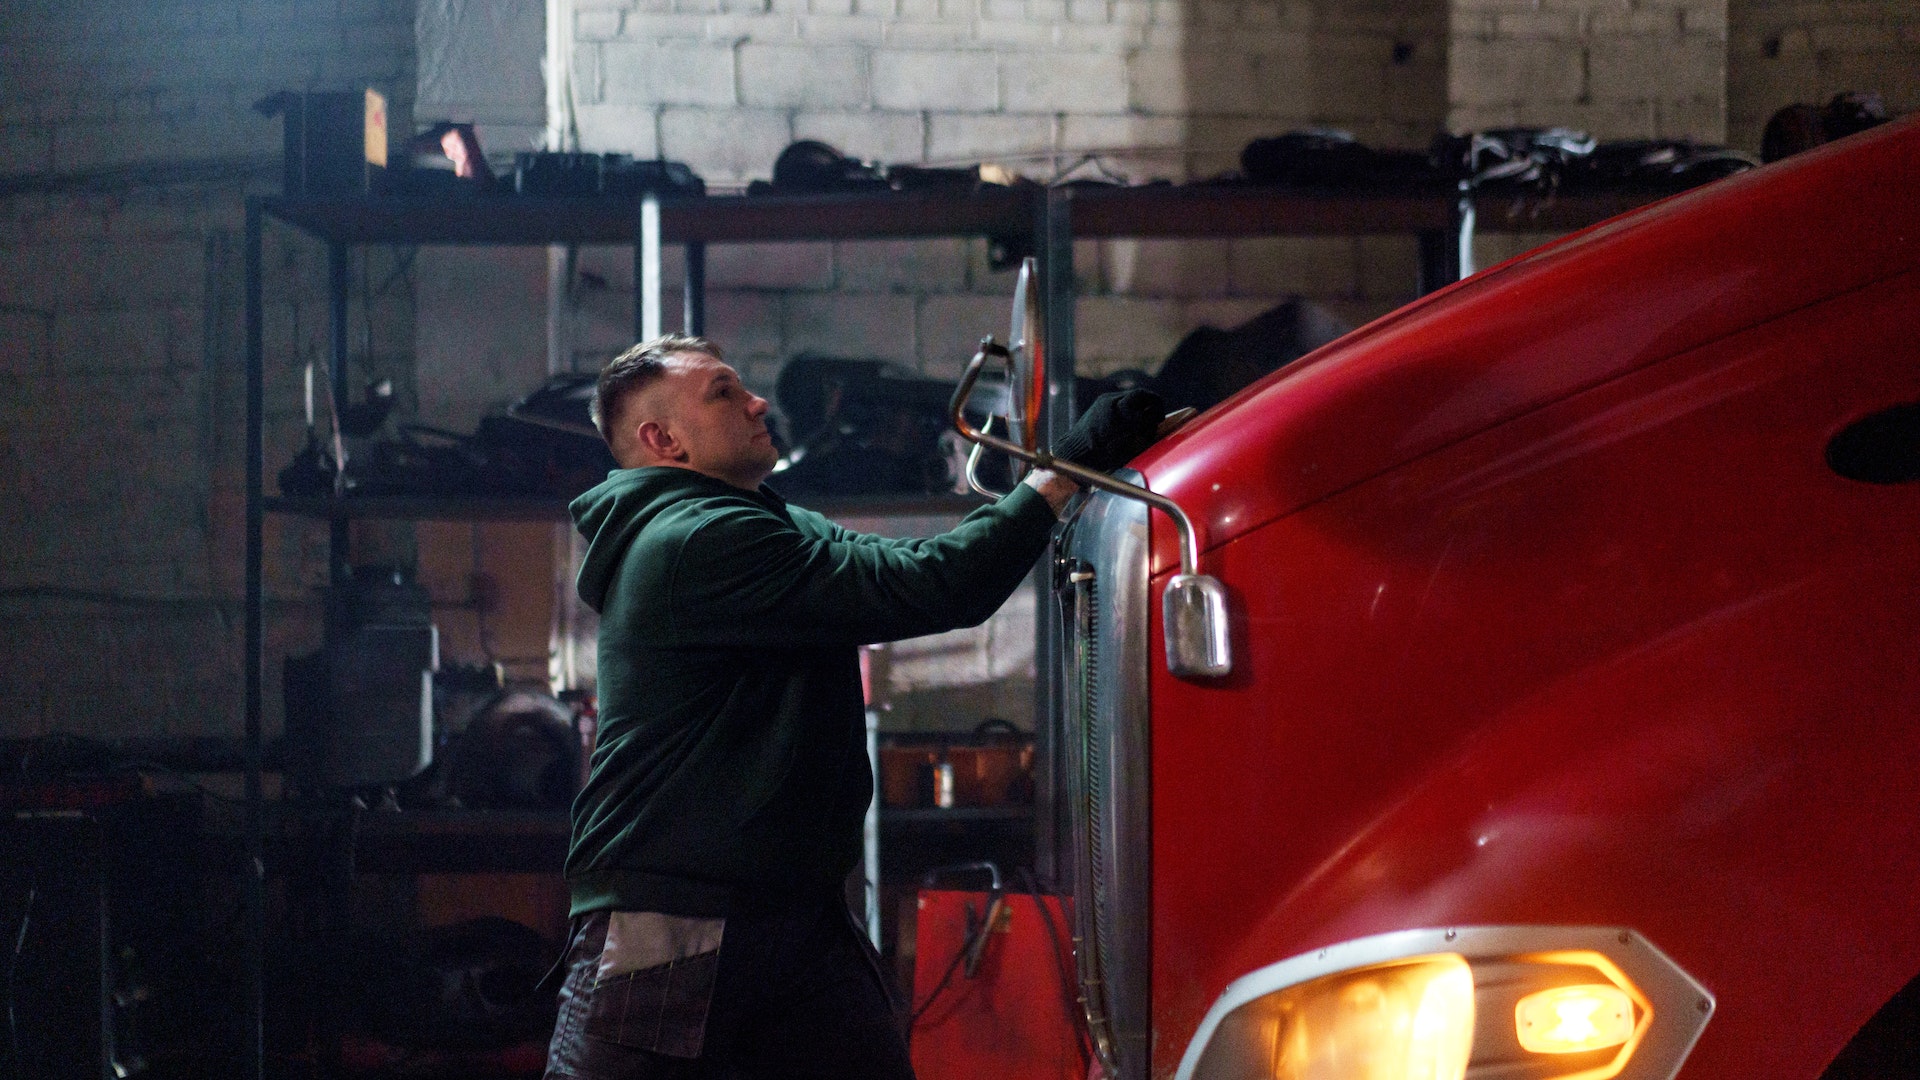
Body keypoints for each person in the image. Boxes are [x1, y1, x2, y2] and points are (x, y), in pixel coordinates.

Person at [544, 334, 1165, 1079]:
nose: (757, 402)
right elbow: (939, 586)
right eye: (723, 393)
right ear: (663, 440)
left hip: (794, 913)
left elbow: (919, 567)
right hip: (677, 918)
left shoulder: (765, 520)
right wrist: (1059, 475)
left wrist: (1048, 485)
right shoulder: (695, 540)